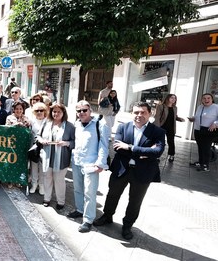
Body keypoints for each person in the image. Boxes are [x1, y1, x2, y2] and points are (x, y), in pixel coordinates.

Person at [93, 102, 165, 240]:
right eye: (136, 112)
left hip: (143, 173)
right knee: (112, 195)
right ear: (132, 113)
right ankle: (107, 216)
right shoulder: (122, 127)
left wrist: (130, 148)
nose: (139, 115)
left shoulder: (158, 132)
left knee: (135, 201)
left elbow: (157, 152)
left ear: (150, 113)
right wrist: (145, 153)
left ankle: (127, 225)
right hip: (121, 169)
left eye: (143, 112)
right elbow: (117, 147)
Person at [67, 101, 110, 233]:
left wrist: (100, 163)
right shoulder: (77, 124)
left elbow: (104, 145)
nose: (82, 113)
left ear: (90, 110)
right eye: (79, 111)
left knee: (90, 193)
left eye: (84, 110)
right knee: (78, 189)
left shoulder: (100, 124)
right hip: (77, 161)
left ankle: (88, 219)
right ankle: (80, 210)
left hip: (91, 164)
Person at [37, 103, 75, 210]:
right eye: (54, 111)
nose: (56, 113)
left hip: (62, 158)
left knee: (59, 180)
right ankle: (47, 198)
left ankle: (60, 201)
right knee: (47, 177)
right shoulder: (46, 122)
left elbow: (74, 142)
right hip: (47, 156)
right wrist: (42, 141)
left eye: (59, 111)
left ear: (63, 113)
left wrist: (66, 143)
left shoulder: (69, 126)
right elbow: (38, 136)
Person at [187, 93, 218, 171]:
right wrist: (192, 118)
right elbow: (197, 116)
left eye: (208, 98)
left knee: (206, 147)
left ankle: (205, 165)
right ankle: (200, 162)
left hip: (209, 130)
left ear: (212, 99)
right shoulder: (200, 107)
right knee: (200, 147)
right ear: (201, 100)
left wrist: (215, 124)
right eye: (204, 98)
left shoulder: (216, 107)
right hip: (198, 129)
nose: (206, 100)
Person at [153, 94, 185, 162]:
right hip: (162, 126)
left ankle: (171, 155)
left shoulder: (175, 108)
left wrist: (179, 119)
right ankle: (157, 156)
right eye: (172, 98)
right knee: (160, 142)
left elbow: (174, 117)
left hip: (171, 127)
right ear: (167, 98)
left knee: (171, 142)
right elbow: (157, 117)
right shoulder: (161, 106)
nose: (173, 99)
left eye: (175, 98)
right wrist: (157, 127)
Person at [27, 102, 48, 195]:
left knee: (43, 167)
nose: (39, 112)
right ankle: (34, 184)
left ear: (45, 111)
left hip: (45, 148)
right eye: (37, 110)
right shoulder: (31, 121)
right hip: (34, 148)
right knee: (34, 167)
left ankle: (42, 185)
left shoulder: (48, 121)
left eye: (41, 110)